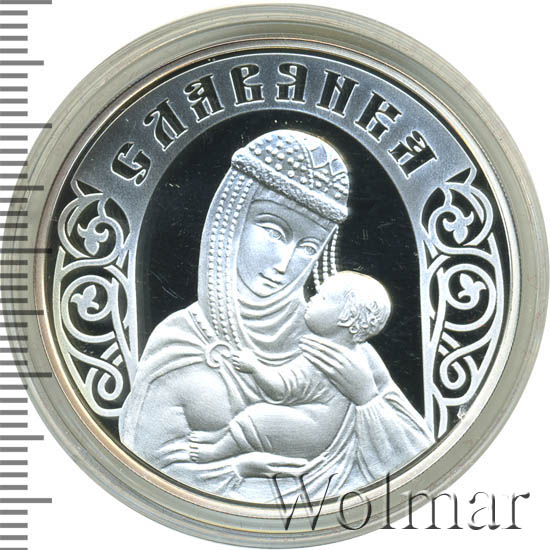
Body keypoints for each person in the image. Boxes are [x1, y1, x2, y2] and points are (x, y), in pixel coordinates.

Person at [119, 130, 433, 502]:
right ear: (231, 222)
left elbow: (418, 466)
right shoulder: (180, 343)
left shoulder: (340, 349)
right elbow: (143, 473)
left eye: (308, 246)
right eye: (274, 231)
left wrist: (366, 399)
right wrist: (238, 469)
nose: (284, 264)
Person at [188, 271, 391, 464]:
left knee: (257, 416)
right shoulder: (356, 353)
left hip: (311, 433)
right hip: (315, 423)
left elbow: (281, 390)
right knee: (256, 415)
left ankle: (216, 452)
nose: (311, 298)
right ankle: (222, 437)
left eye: (322, 297)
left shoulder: (325, 358)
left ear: (346, 316)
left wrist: (255, 368)